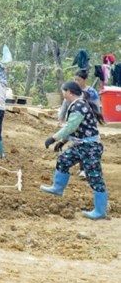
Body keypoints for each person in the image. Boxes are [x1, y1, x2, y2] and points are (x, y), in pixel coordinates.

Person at [41, 81, 108, 220]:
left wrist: (54, 138)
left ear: (69, 92)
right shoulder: (78, 104)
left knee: (95, 178)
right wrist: (63, 141)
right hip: (81, 145)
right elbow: (76, 128)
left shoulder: (79, 106)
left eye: (63, 91)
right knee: (63, 160)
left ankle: (100, 211)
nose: (63, 94)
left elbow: (70, 127)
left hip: (90, 147)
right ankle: (57, 188)